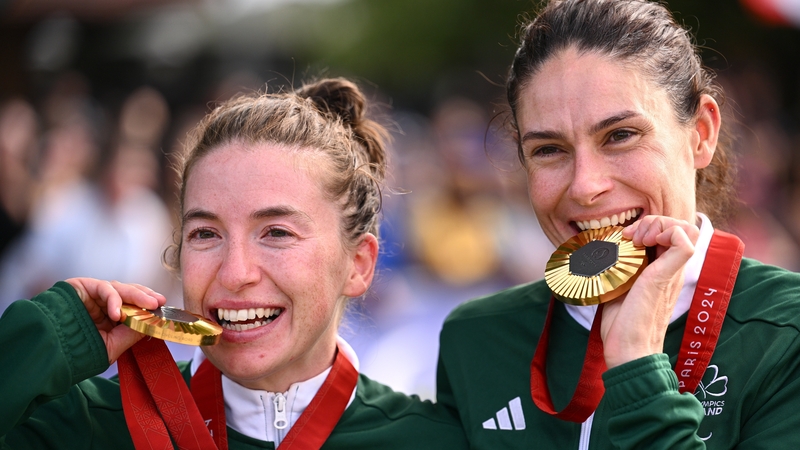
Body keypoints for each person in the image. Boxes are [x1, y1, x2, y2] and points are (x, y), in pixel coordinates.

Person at [0, 78, 469, 449]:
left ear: (358, 265)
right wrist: (48, 337)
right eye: (206, 234)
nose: (234, 272)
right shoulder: (88, 426)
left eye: (277, 233)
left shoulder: (432, 439)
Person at [436, 0, 800, 448]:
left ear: (701, 134)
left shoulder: (785, 331)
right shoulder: (475, 337)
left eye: (620, 136)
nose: (585, 186)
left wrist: (637, 367)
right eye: (549, 149)